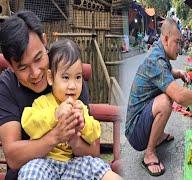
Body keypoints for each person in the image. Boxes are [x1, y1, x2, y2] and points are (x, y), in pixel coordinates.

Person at [0, 10, 120, 179]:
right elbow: (13, 157)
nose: (35, 73)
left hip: (73, 170)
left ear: (45, 40)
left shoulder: (70, 82)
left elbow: (93, 151)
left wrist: (74, 136)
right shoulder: (6, 86)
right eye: (23, 67)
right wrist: (56, 135)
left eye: (39, 58)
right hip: (33, 171)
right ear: (10, 65)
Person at [18, 39, 119, 179]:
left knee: (96, 166)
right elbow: (29, 124)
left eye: (78, 77)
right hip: (45, 162)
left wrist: (84, 124)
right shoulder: (42, 103)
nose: (72, 85)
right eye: (65, 77)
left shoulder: (80, 107)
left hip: (73, 163)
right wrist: (55, 115)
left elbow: (95, 133)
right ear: (50, 77)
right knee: (31, 171)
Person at [125, 18, 192, 177]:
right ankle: (149, 154)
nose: (179, 48)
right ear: (165, 39)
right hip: (135, 132)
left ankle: (157, 137)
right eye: (177, 42)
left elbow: (162, 74)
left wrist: (177, 73)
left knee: (167, 92)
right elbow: (180, 97)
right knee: (166, 101)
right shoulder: (157, 60)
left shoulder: (159, 53)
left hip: (140, 118)